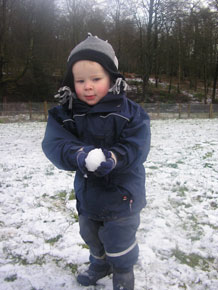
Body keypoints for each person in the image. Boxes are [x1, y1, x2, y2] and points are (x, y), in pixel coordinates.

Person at [42, 33, 151, 290]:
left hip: (124, 196)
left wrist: (114, 157)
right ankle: (99, 264)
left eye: (96, 79)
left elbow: (137, 146)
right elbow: (55, 143)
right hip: (88, 195)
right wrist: (77, 154)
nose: (87, 86)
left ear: (112, 78)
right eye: (80, 81)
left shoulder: (131, 113)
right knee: (90, 234)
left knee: (119, 238)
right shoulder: (65, 114)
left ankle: (123, 272)